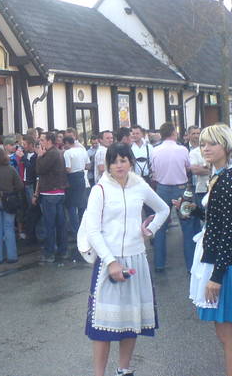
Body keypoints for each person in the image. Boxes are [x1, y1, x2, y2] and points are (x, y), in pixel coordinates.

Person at [82, 143, 169, 376]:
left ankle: (124, 369)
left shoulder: (139, 185)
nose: (119, 165)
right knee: (102, 326)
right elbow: (93, 231)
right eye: (114, 161)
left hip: (136, 258)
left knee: (131, 320)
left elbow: (163, 209)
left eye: (123, 160)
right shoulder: (99, 189)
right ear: (107, 164)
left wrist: (150, 229)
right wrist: (111, 262)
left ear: (130, 161)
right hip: (108, 262)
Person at [185, 124, 232, 376]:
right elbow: (219, 219)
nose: (205, 148)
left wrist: (216, 276)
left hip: (227, 265)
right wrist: (195, 210)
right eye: (202, 143)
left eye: (211, 143)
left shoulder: (230, 180)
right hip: (225, 261)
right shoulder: (224, 176)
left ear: (225, 146)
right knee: (228, 331)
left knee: (228, 332)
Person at [150, 122, 191, 272]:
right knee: (187, 227)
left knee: (160, 227)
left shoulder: (155, 150)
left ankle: (159, 264)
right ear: (174, 132)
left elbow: (153, 170)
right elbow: (188, 167)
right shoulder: (182, 150)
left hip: (162, 189)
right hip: (181, 189)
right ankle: (190, 265)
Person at [34, 132, 68, 263]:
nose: (40, 143)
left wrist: (39, 157)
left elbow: (40, 170)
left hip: (50, 193)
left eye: (42, 140)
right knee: (60, 223)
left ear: (49, 141)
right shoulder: (58, 152)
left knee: (50, 224)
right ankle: (62, 250)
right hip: (59, 191)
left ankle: (50, 253)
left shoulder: (51, 153)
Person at [63, 135, 89, 241]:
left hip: (72, 178)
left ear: (67, 143)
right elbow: (88, 166)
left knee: (71, 205)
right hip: (81, 176)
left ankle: (75, 230)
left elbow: (68, 169)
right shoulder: (82, 151)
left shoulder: (67, 153)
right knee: (82, 204)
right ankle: (84, 229)